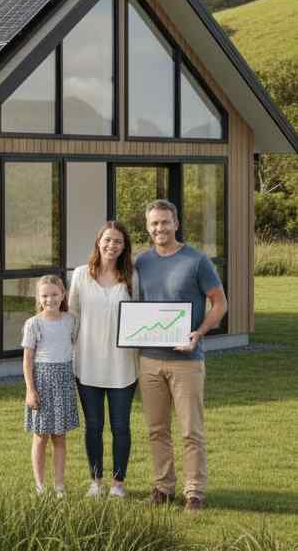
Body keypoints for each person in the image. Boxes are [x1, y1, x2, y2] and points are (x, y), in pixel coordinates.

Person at [135, 199, 227, 512]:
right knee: (156, 430)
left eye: (165, 222)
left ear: (176, 224)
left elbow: (219, 304)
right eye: (154, 224)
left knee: (191, 431)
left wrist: (199, 333)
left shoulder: (197, 261)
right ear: (147, 228)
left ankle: (194, 492)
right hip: (149, 360)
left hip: (187, 361)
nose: (159, 228)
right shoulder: (142, 262)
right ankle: (163, 487)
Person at [68, 221, 138, 499]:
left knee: (121, 427)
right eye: (107, 240)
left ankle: (118, 484)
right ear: (98, 242)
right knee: (94, 426)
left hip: (123, 365)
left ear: (125, 247)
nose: (112, 246)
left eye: (118, 241)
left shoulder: (132, 277)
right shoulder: (81, 275)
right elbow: (71, 318)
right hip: (87, 364)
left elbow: (142, 315)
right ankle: (95, 482)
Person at [23, 275, 80, 496]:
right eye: (45, 295)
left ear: (63, 295)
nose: (50, 299)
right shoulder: (33, 324)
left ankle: (59, 486)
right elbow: (27, 360)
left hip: (64, 381)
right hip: (42, 382)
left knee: (59, 437)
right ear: (39, 297)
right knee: (40, 437)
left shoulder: (71, 321)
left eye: (54, 294)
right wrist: (31, 389)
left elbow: (74, 346)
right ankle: (40, 486)